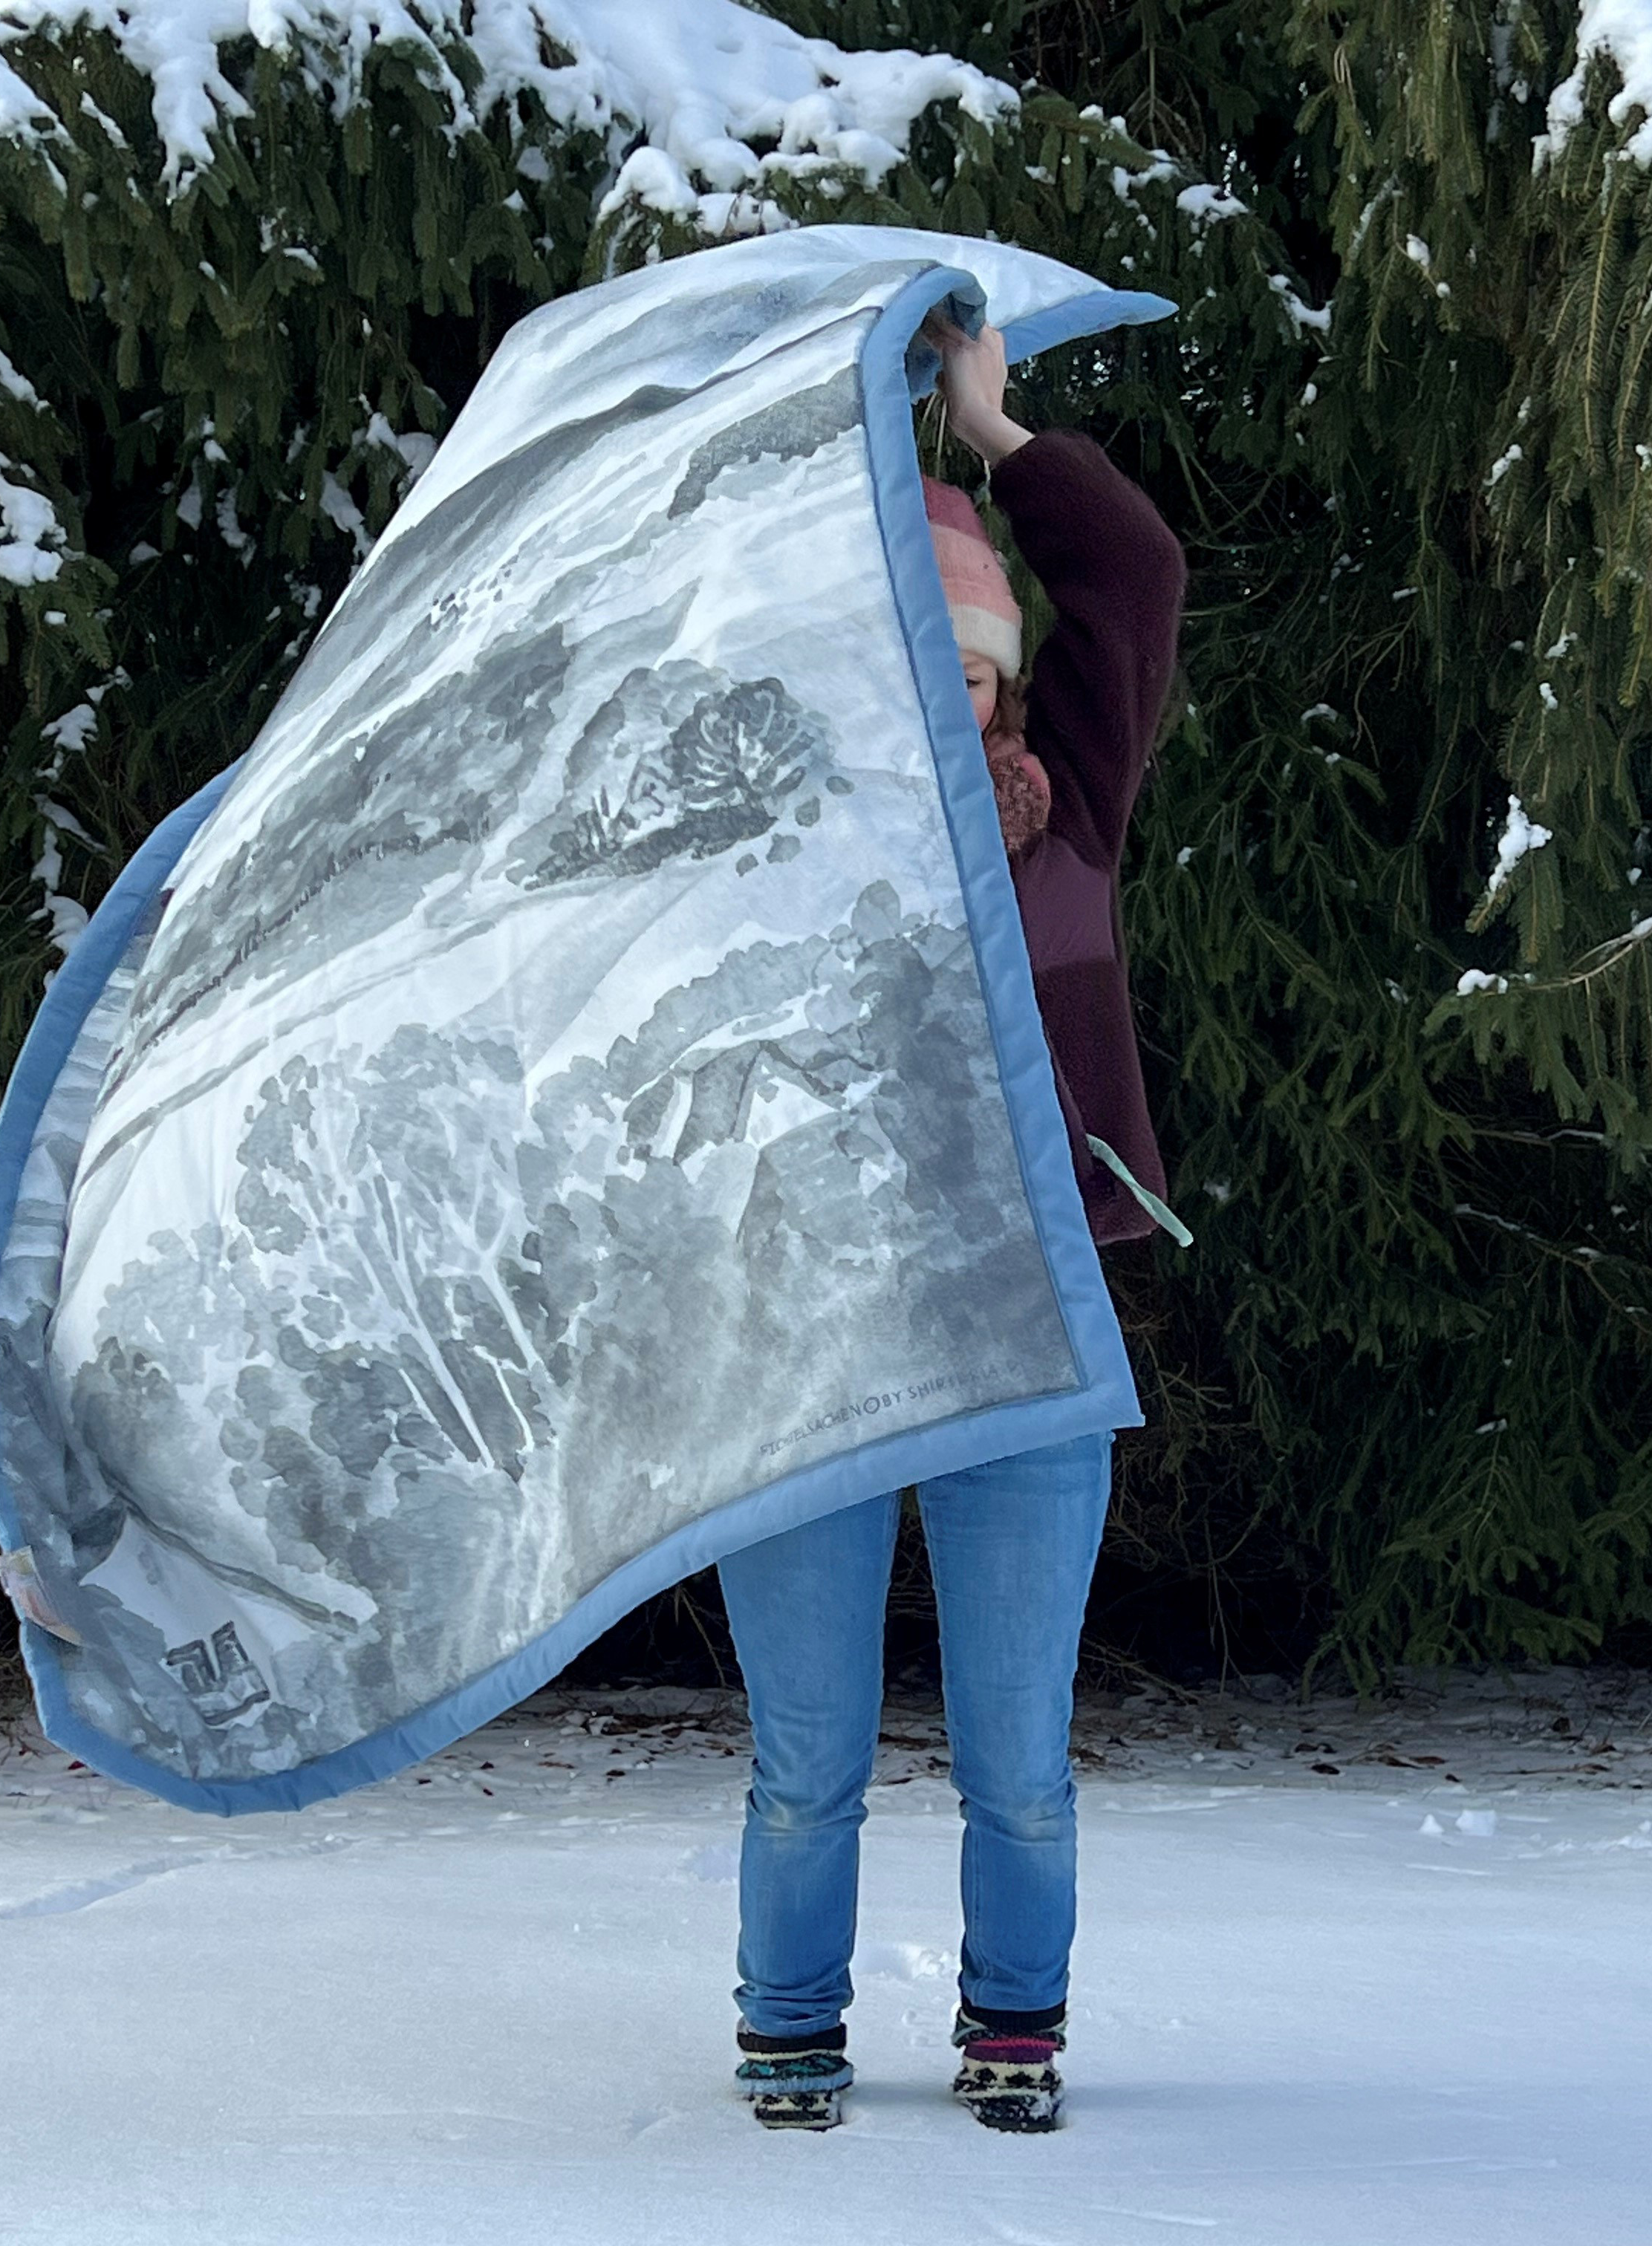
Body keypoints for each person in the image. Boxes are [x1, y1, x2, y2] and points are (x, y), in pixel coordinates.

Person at [718, 316, 1187, 2134]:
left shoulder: (1069, 816)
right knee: (805, 1765)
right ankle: (786, 2028)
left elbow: (1131, 576)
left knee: (1022, 1767)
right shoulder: (773, 853)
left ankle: (1013, 2032)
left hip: (1031, 1349)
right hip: (810, 1356)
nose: (962, 699)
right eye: (918, 666)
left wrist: (992, 432)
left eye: (978, 668)